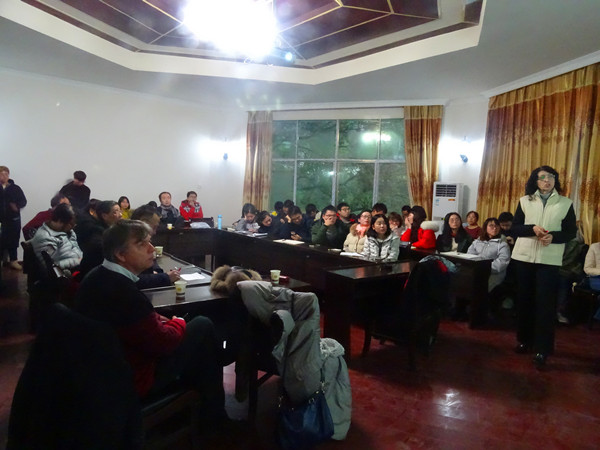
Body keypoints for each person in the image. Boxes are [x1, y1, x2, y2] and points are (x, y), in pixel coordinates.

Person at [74, 220, 229, 426]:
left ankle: (203, 408)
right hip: (131, 379)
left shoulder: (98, 276)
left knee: (198, 335)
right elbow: (164, 343)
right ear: (120, 254)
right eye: (141, 244)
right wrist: (178, 322)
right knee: (202, 324)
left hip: (102, 369)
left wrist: (164, 321)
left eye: (150, 242)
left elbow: (141, 325)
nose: (152, 249)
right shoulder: (124, 293)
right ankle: (214, 417)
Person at [511, 165, 576, 368]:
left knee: (545, 306)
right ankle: (524, 340)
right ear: (535, 181)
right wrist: (532, 229)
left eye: (551, 177)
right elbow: (515, 228)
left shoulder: (565, 203)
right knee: (525, 301)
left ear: (555, 180)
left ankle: (542, 349)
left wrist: (553, 237)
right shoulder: (525, 201)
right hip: (524, 257)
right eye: (542, 177)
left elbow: (570, 232)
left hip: (549, 260)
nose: (547, 180)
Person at [131, 204, 180, 289]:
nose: (155, 232)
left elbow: (152, 261)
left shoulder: (143, 239)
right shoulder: (129, 243)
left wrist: (157, 272)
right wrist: (165, 277)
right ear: (143, 223)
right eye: (154, 227)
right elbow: (133, 280)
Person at [30, 203, 82, 271]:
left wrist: (80, 257)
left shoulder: (67, 231)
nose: (72, 227)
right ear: (59, 221)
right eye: (71, 224)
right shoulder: (45, 238)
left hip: (76, 265)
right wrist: (77, 261)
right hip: (64, 272)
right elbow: (53, 266)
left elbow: (75, 247)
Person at [467, 217, 511, 293]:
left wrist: (485, 269)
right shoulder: (477, 241)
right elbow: (470, 255)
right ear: (485, 227)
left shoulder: (502, 244)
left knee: (481, 287)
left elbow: (502, 262)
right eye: (491, 226)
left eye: (497, 226)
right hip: (476, 270)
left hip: (494, 273)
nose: (495, 228)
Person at [78, 200, 122, 277]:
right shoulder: (97, 232)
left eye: (120, 211)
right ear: (104, 216)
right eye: (115, 212)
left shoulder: (111, 229)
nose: (120, 215)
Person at [0, 166, 27, 270]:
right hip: (1, 220)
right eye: (1, 174)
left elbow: (23, 201)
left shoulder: (15, 188)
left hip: (13, 219)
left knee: (13, 240)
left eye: (6, 174)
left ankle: (13, 261)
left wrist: (16, 206)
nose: (4, 176)